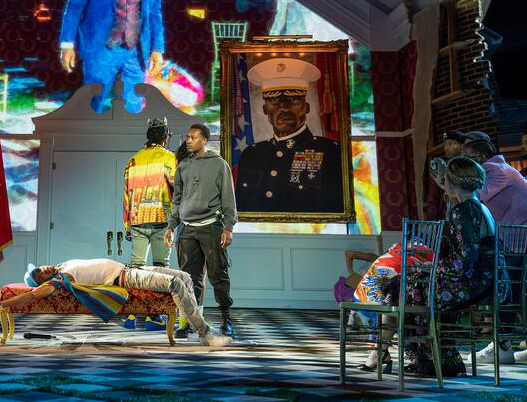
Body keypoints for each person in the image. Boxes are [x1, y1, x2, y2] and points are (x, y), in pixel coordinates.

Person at [354, 156, 506, 377]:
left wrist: (432, 269)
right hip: (490, 281)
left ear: (451, 182)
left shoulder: (463, 211)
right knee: (410, 283)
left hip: (474, 283)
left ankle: (398, 354)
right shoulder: (480, 207)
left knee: (401, 288)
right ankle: (436, 358)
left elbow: (465, 259)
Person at [0, 259, 232, 347]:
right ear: (43, 281)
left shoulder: (62, 265)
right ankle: (205, 332)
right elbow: (31, 296)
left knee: (185, 277)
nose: (44, 270)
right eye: (40, 274)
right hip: (126, 277)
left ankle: (191, 322)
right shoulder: (58, 281)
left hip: (131, 267)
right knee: (175, 285)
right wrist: (2, 305)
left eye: (41, 268)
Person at [235, 58, 342, 213]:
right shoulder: (251, 154)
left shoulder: (331, 152)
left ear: (306, 108)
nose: (284, 107)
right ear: (266, 110)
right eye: (274, 100)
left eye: (294, 99)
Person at [164, 124, 237, 337]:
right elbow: (177, 200)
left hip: (211, 227)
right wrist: (171, 226)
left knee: (218, 275)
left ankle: (226, 319)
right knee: (188, 279)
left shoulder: (219, 165)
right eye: (187, 137)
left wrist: (228, 227)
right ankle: (189, 322)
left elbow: (228, 199)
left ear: (204, 140)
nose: (188, 140)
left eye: (193, 137)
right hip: (187, 230)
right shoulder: (183, 166)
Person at [461, 137, 527, 364]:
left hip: (517, 239)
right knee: (509, 292)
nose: (465, 161)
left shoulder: (495, 170)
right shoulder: (498, 168)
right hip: (512, 238)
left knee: (508, 292)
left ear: (478, 157)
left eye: (467, 156)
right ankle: (504, 345)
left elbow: (474, 197)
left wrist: (451, 183)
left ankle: (502, 346)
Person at [123, 117, 177, 331]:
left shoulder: (133, 161)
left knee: (136, 270)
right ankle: (155, 317)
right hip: (161, 219)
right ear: (165, 137)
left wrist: (127, 224)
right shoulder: (169, 158)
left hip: (137, 220)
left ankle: (131, 316)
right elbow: (177, 184)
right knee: (160, 270)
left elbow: (126, 196)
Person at [423, 130, 465, 220]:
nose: (446, 148)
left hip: (465, 216)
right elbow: (433, 199)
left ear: (462, 146)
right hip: (445, 218)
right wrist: (431, 222)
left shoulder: (469, 168)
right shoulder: (440, 168)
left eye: (451, 144)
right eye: (445, 144)